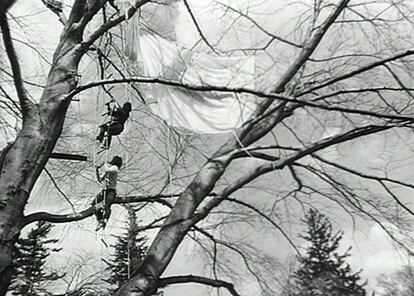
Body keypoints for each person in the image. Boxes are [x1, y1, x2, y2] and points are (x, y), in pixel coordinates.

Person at [93, 156, 122, 231]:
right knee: (94, 203)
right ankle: (99, 220)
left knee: (106, 205)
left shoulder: (115, 168)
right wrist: (97, 170)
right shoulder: (109, 170)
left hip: (111, 191)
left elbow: (107, 170)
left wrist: (105, 163)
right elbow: (100, 179)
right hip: (104, 190)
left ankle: (105, 219)